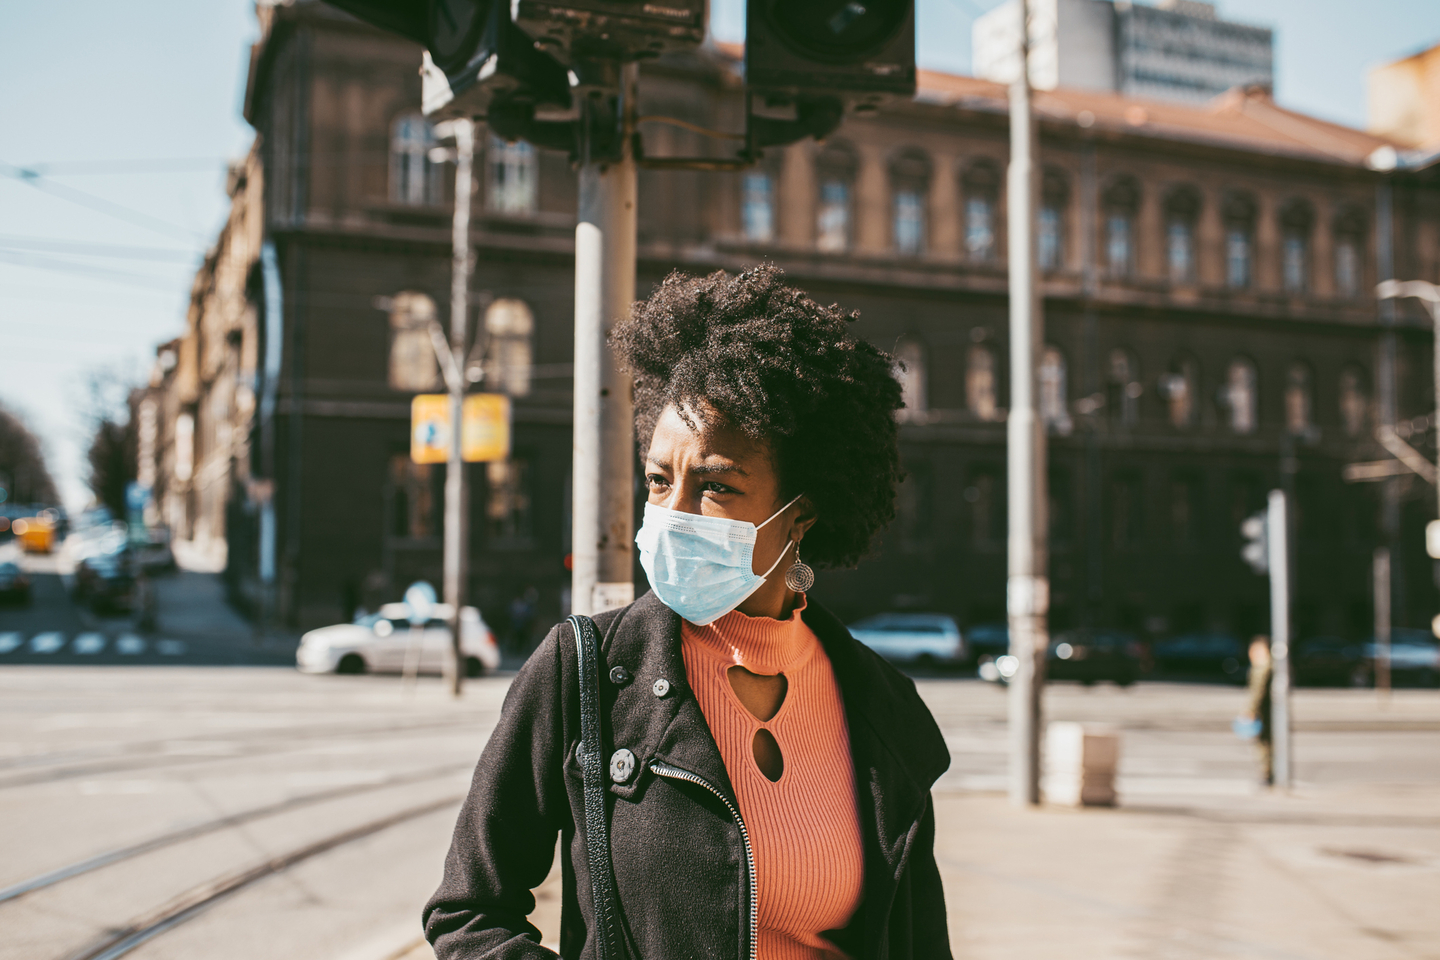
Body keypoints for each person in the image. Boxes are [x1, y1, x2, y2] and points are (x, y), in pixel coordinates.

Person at [424, 266, 952, 959]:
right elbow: (469, 913)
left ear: (801, 515)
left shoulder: (883, 706)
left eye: (715, 486)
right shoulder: (583, 672)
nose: (672, 514)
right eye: (657, 479)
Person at [1243, 635, 1273, 786]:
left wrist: (1250, 710)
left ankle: (1267, 774)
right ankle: (1268, 773)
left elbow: (1257, 692)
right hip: (1267, 711)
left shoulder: (1262, 668)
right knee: (1266, 743)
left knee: (1263, 744)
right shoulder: (1270, 667)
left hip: (1263, 712)